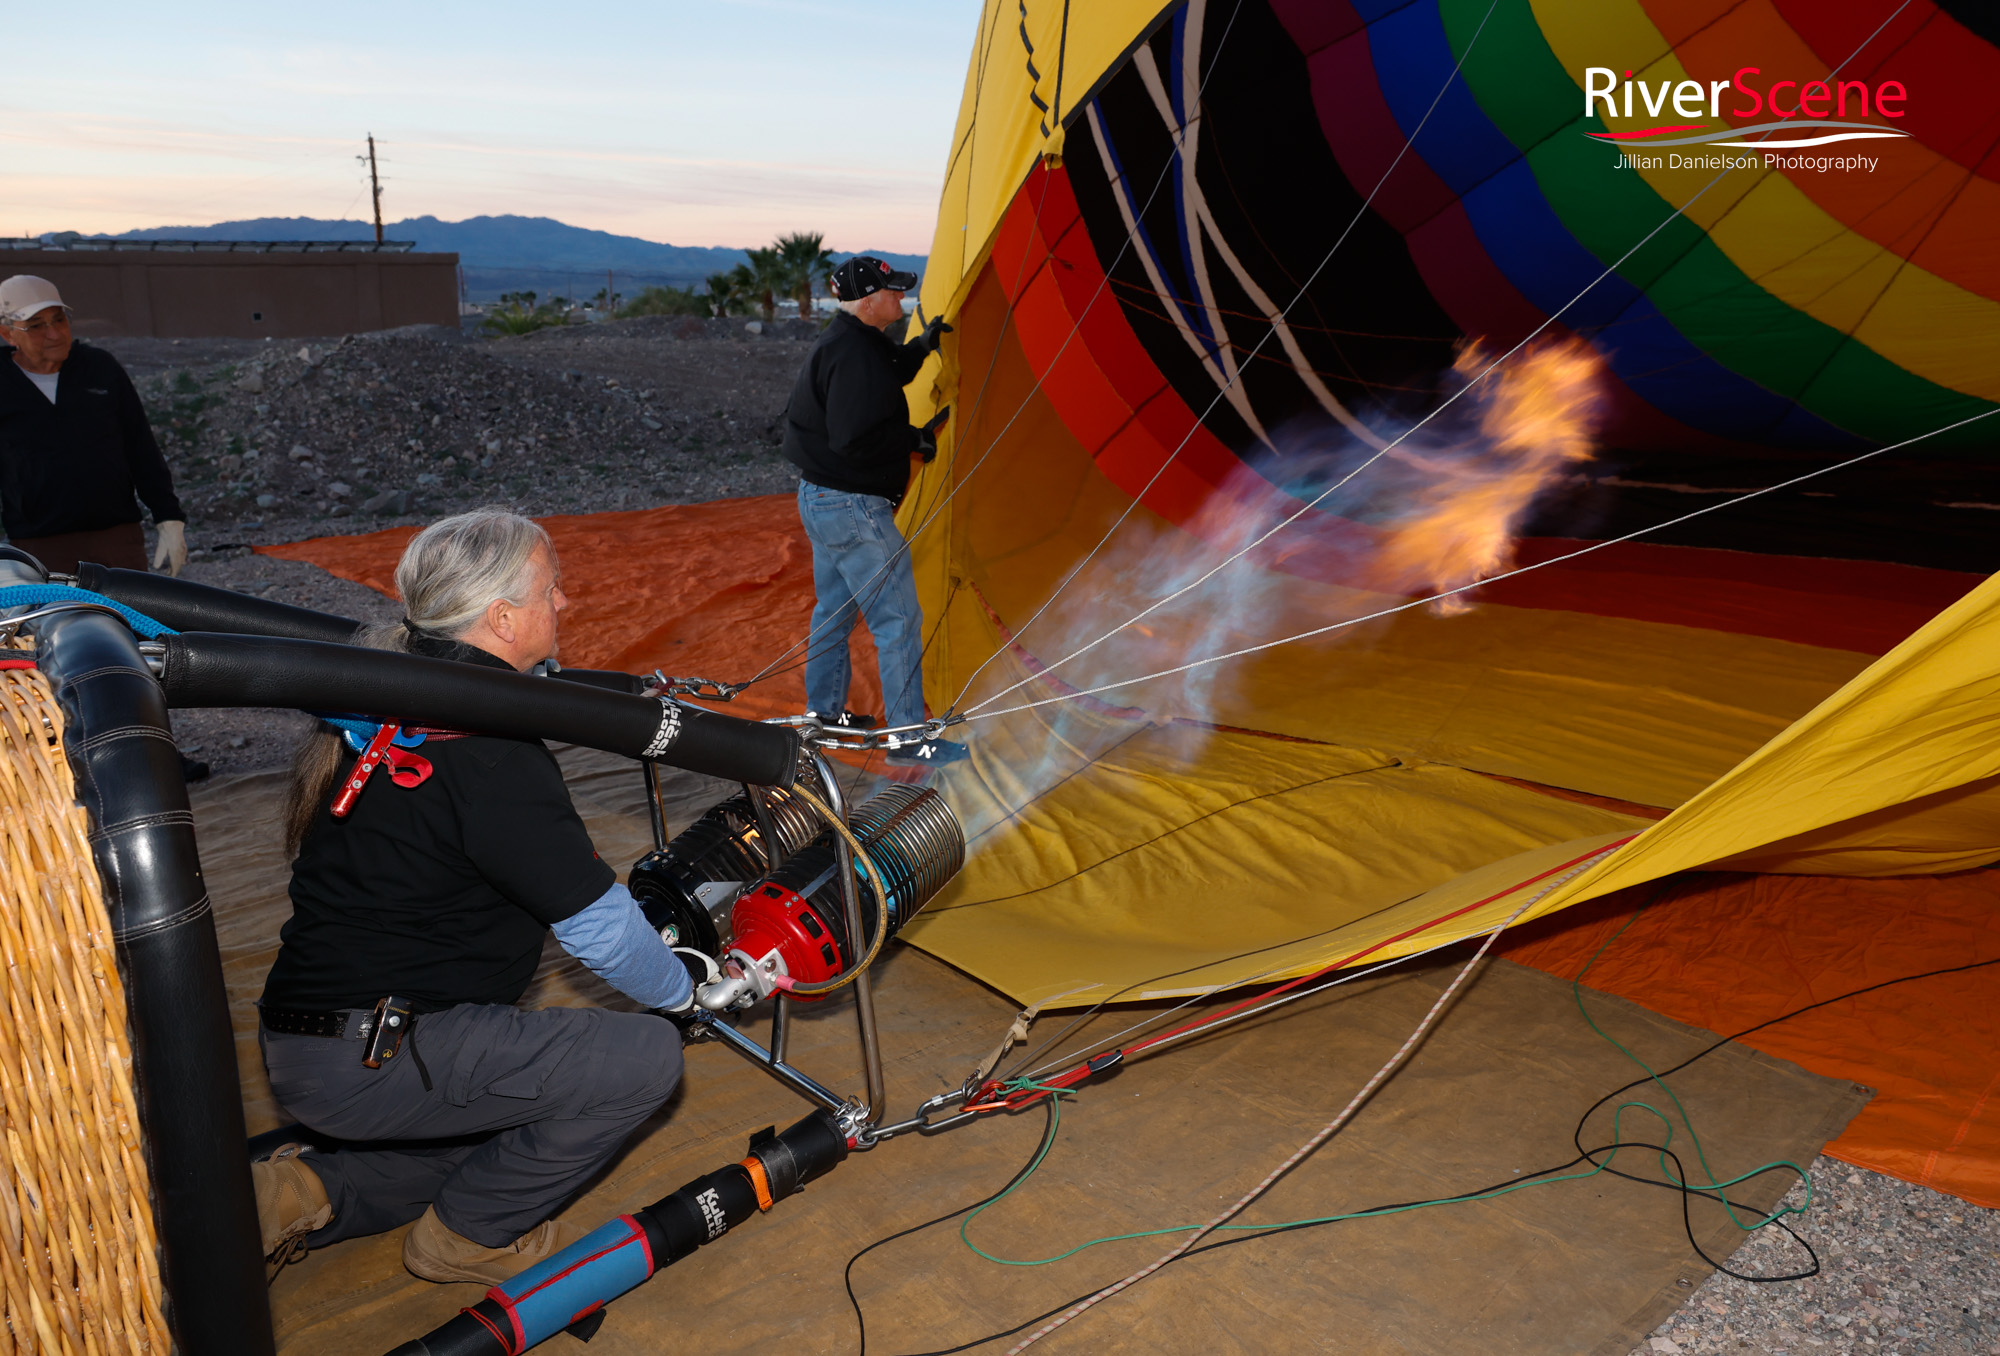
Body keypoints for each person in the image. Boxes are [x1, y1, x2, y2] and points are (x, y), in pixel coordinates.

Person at [253, 508, 693, 1284]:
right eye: (553, 590)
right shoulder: (490, 751)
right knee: (647, 1058)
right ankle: (465, 1239)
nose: (565, 605)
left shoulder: (392, 699)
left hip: (306, 1042)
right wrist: (688, 994)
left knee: (501, 1131)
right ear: (502, 618)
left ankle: (303, 1188)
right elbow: (602, 933)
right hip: (381, 1048)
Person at [781, 254, 966, 766]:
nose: (900, 299)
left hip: (820, 499)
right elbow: (853, 437)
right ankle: (908, 738)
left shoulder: (853, 340)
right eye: (893, 292)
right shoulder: (854, 354)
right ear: (869, 301)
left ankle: (824, 715)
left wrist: (923, 349)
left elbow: (884, 376)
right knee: (899, 620)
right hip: (852, 507)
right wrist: (915, 439)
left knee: (833, 613)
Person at [0, 275, 186, 575]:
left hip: (117, 538)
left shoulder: (100, 368)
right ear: (7, 333)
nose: (54, 333)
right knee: (57, 621)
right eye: (36, 326)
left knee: (128, 621)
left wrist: (169, 517)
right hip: (39, 545)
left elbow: (140, 445)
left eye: (59, 320)